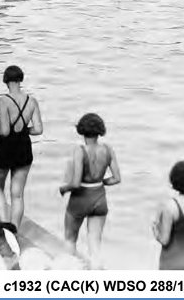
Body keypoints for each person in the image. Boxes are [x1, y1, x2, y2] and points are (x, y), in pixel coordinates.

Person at [59, 113, 120, 267]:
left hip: (80, 199)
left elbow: (76, 182)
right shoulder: (108, 149)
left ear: (81, 130)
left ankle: (70, 274)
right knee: (94, 243)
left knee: (70, 239)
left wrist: (64, 188)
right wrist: (99, 183)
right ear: (100, 130)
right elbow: (116, 178)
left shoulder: (79, 151)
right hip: (99, 198)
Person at [0, 65, 43, 229]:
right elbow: (39, 129)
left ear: (5, 81)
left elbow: (4, 131)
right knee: (17, 195)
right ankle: (14, 230)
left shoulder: (3, 100)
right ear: (21, 79)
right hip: (23, 148)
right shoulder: (31, 101)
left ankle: (4, 228)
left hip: (4, 149)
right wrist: (24, 130)